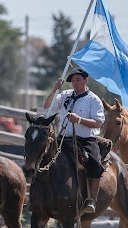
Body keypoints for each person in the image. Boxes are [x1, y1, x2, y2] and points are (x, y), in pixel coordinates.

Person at [43, 67, 105, 213]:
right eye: (73, 81)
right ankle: (41, 193)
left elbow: (98, 123)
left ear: (85, 80)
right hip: (63, 138)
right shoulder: (65, 95)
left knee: (94, 163)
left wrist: (79, 120)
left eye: (78, 79)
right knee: (43, 155)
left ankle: (91, 199)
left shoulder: (94, 100)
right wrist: (55, 90)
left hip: (85, 140)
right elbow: (47, 106)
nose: (75, 83)